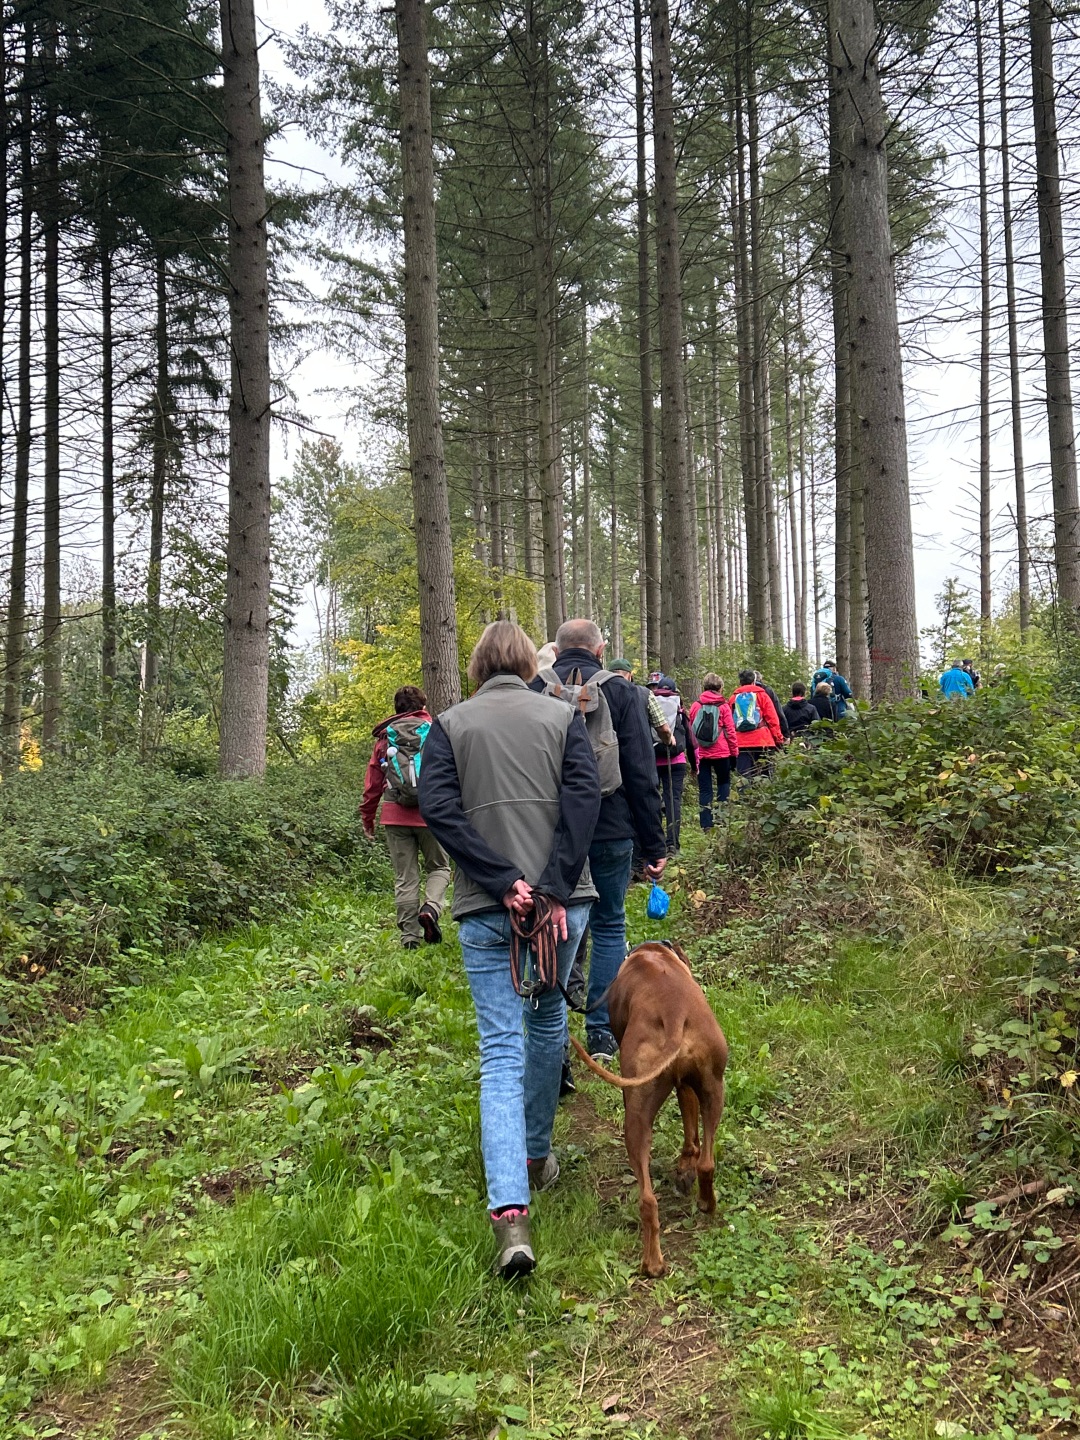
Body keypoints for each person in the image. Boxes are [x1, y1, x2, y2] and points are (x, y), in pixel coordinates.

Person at [419, 621, 601, 1279]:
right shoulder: (560, 718)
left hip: (486, 910)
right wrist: (549, 887)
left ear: (475, 666)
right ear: (529, 662)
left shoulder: (449, 726)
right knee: (549, 1019)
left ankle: (511, 1216)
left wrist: (504, 884)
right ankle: (534, 1156)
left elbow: (440, 809)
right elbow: (584, 803)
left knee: (500, 1048)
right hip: (563, 908)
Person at [540, 621, 667, 1065]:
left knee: (552, 925)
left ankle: (550, 1038)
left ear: (555, 649)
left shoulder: (537, 687)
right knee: (610, 922)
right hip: (612, 824)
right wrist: (655, 845)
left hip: (552, 831)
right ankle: (601, 1033)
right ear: (601, 648)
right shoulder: (627, 693)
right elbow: (640, 773)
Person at [361, 685, 451, 950]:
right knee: (440, 867)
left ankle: (409, 937)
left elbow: (372, 785)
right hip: (431, 814)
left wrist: (368, 818)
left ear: (396, 709)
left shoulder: (384, 739)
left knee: (405, 877)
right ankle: (432, 909)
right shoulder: (436, 733)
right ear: (423, 706)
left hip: (395, 815)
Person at [646, 673, 696, 854]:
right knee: (673, 801)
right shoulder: (680, 710)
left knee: (652, 801)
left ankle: (654, 844)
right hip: (675, 761)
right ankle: (672, 844)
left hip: (653, 761)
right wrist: (695, 765)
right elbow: (690, 740)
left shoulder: (648, 705)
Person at [688, 673, 738, 830]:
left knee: (705, 790)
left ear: (704, 687)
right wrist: (734, 753)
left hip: (702, 754)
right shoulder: (723, 706)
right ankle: (722, 820)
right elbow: (730, 731)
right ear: (721, 688)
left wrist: (692, 754)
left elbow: (691, 730)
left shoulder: (696, 705)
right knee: (724, 785)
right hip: (722, 753)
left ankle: (706, 824)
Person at [729, 668, 784, 778]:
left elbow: (729, 723)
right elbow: (773, 720)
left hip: (741, 743)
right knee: (764, 777)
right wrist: (779, 739)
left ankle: (745, 795)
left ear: (740, 683)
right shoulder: (763, 696)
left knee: (744, 778)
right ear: (754, 681)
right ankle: (763, 795)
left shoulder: (733, 698)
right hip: (762, 741)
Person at [609, 657, 674, 746]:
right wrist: (669, 741)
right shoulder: (645, 694)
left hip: (610, 753)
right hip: (639, 753)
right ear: (629, 675)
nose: (654, 689)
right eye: (652, 686)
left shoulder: (602, 692)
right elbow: (664, 729)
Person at [755, 672, 791, 740]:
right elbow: (777, 712)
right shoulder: (767, 691)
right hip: (765, 735)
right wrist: (785, 734)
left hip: (741, 738)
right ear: (761, 679)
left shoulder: (739, 694)